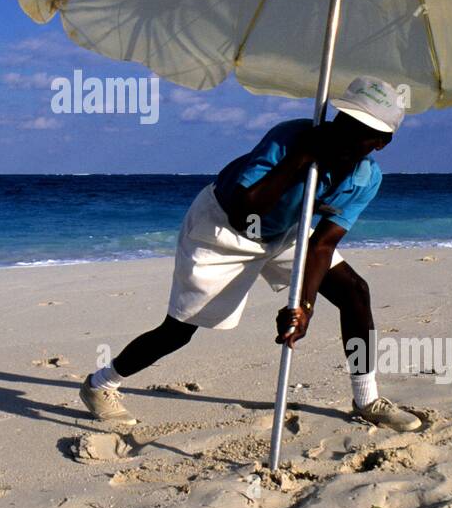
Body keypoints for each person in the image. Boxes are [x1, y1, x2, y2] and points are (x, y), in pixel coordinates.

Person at [80, 76, 421, 432]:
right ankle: (100, 384)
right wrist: (303, 157)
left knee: (355, 291)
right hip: (224, 229)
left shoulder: (366, 178)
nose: (347, 133)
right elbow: (247, 211)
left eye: (362, 130)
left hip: (285, 231)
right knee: (178, 332)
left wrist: (303, 307)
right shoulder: (290, 137)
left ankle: (366, 398)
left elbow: (321, 245)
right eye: (344, 120)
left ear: (381, 143)